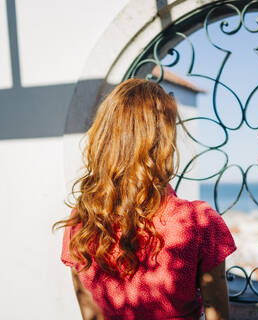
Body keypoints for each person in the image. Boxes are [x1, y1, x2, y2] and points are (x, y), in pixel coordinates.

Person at [53, 78, 237, 320]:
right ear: (163, 143)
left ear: (105, 139)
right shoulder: (197, 222)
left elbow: (92, 316)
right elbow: (218, 314)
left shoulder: (82, 221)